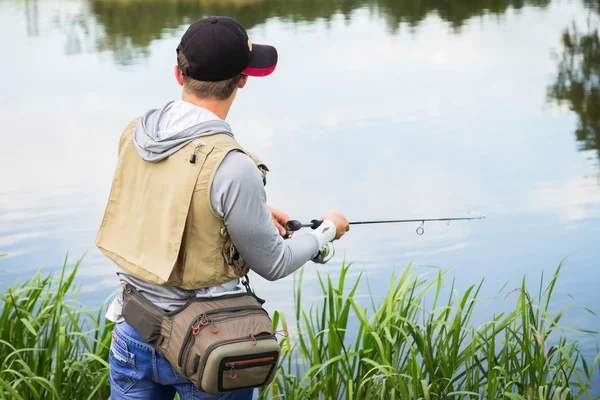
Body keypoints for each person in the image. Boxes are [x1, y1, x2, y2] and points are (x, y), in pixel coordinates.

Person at [94, 15, 350, 400]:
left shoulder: (136, 133)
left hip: (134, 330)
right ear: (243, 79)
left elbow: (164, 198)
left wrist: (249, 211)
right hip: (207, 345)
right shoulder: (233, 166)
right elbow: (275, 263)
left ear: (179, 75)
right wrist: (325, 232)